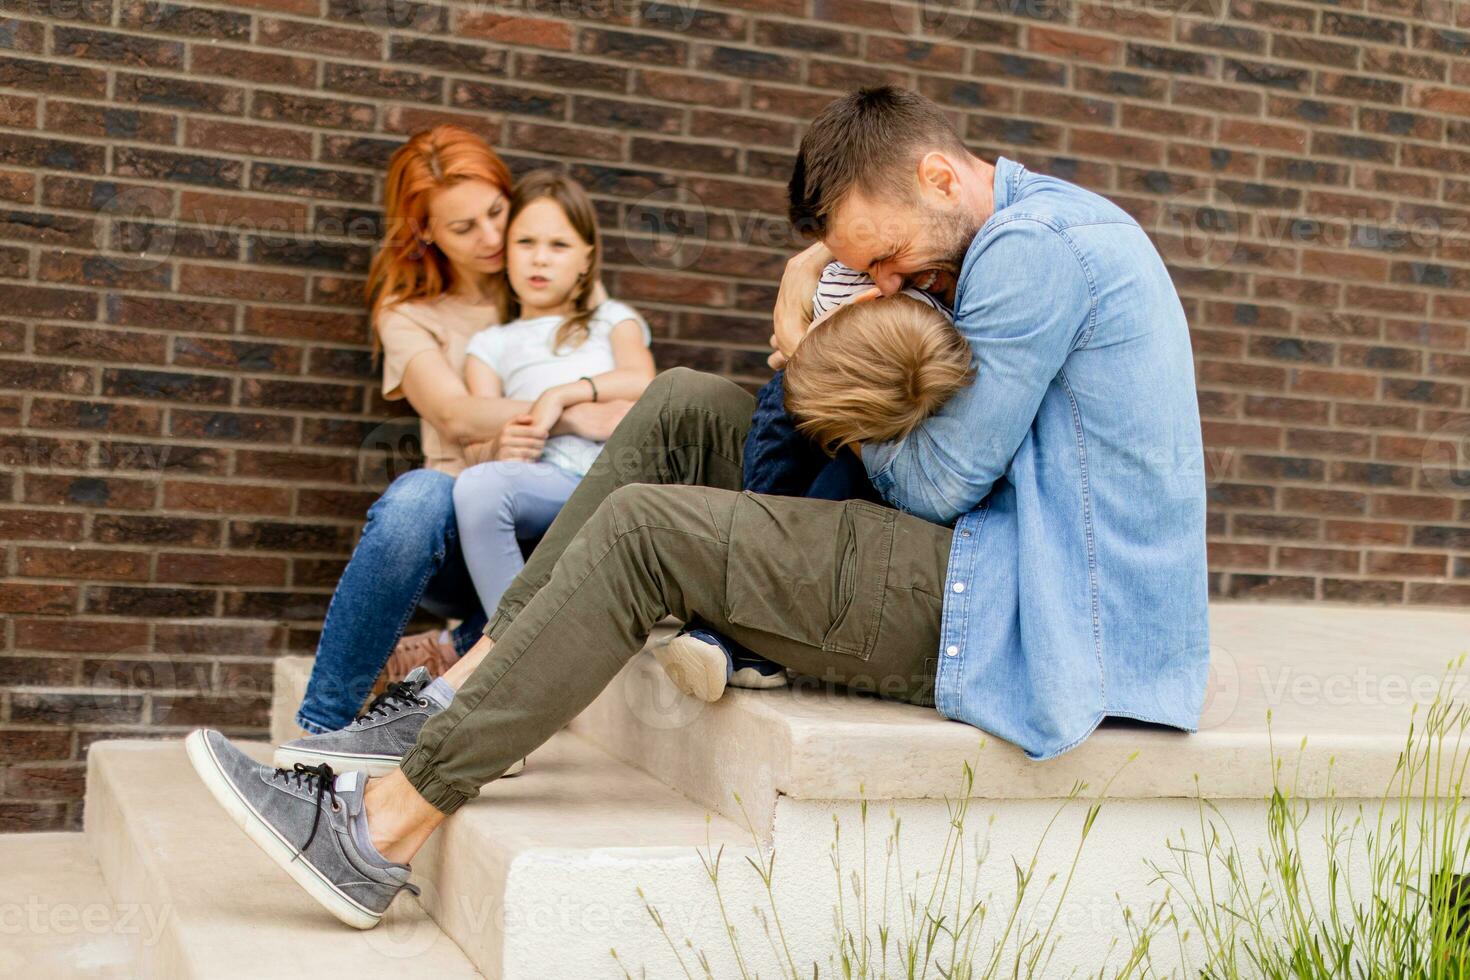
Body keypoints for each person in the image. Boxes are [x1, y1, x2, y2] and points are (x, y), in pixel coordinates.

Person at [185, 84, 1211, 931]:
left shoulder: (1033, 253)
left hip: (1029, 600)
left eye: (884, 258)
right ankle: (461, 692)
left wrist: (817, 362)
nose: (884, 279)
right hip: (985, 545)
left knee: (647, 531)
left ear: (940, 174)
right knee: (679, 404)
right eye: (865, 261)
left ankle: (379, 830)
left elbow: (940, 479)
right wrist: (810, 273)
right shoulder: (981, 223)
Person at [294, 126, 634, 735]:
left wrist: (577, 407)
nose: (494, 239)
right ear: (425, 231)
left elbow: (620, 391)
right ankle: (322, 730)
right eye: (462, 228)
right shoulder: (409, 316)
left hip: (553, 519)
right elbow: (453, 414)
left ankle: (454, 654)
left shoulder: (547, 265)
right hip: (457, 532)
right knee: (421, 493)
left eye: (498, 213)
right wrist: (568, 410)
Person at [653, 267, 964, 701]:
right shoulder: (841, 289)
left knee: (827, 489)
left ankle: (733, 633)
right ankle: (731, 628)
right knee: (784, 415)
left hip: (870, 450)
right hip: (830, 405)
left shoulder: (919, 342)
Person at [451, 169, 655, 618]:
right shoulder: (491, 345)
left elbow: (645, 383)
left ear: (587, 258)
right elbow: (476, 447)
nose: (539, 259)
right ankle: (511, 644)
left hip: (620, 477)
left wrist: (561, 395)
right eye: (525, 243)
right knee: (478, 488)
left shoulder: (611, 320)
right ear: (505, 253)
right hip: (551, 480)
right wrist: (501, 444)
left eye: (558, 245)